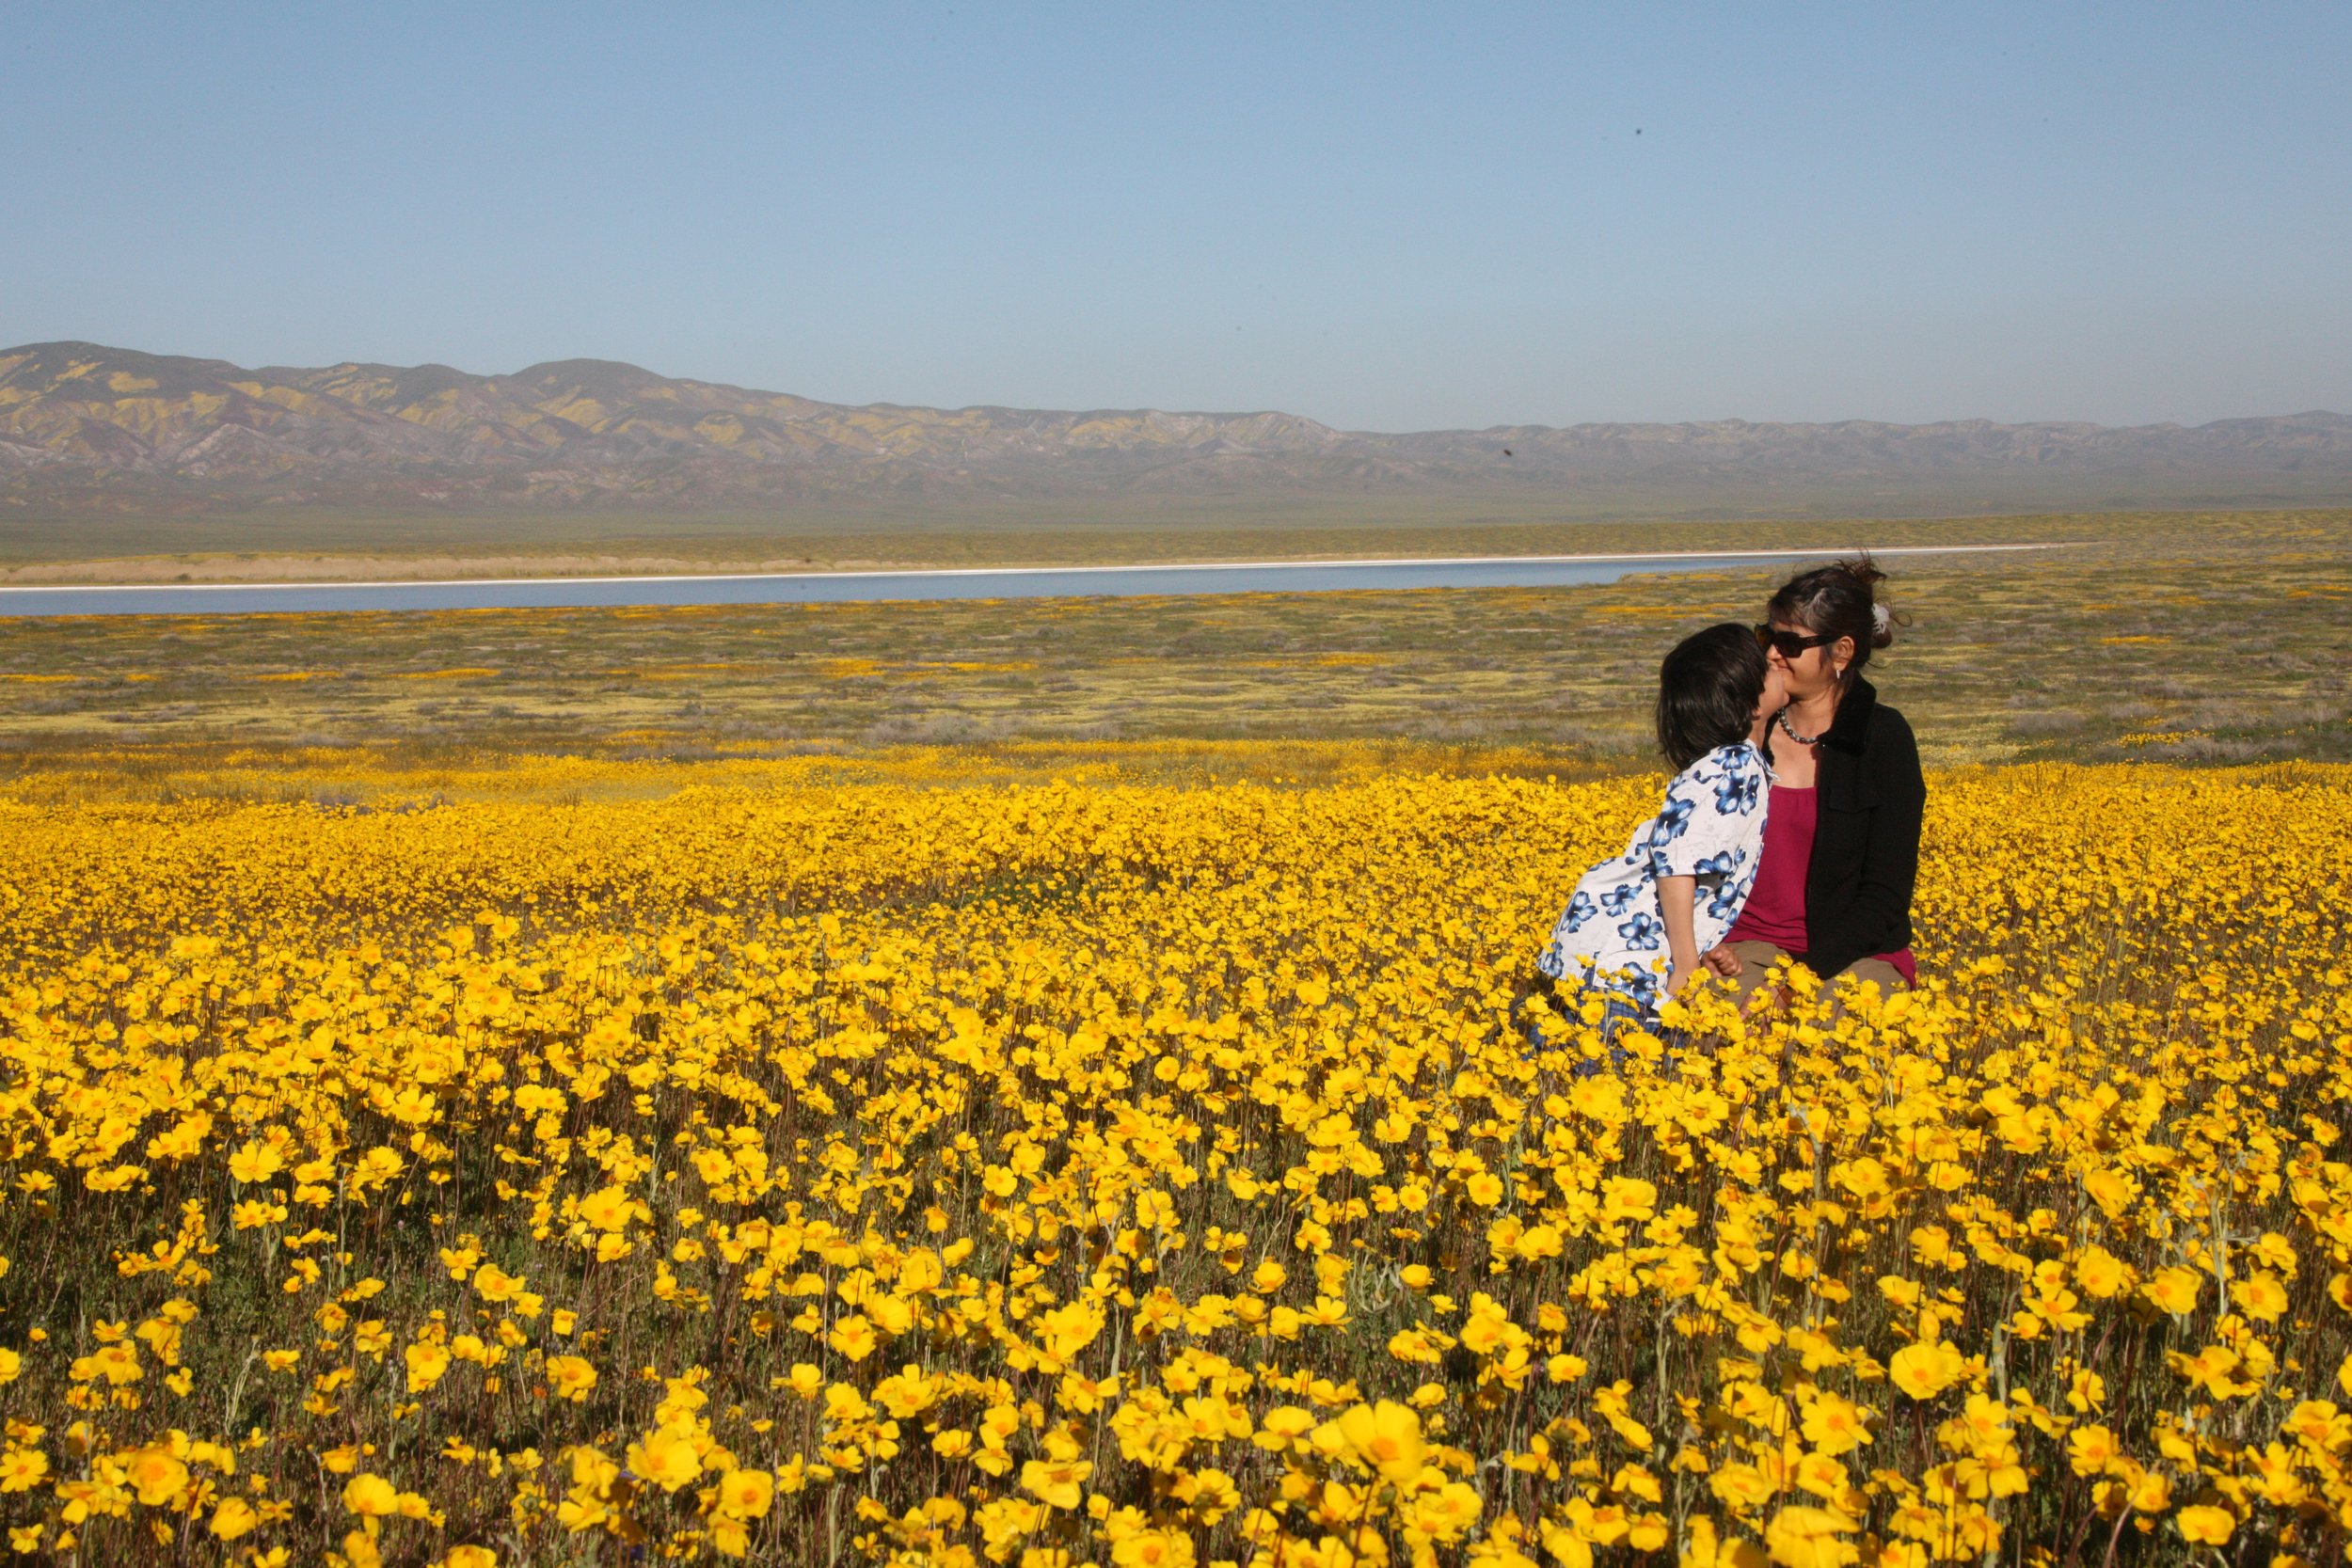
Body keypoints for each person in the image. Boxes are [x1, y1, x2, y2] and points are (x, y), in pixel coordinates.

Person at [1531, 624, 1788, 1032]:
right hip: (1625, 970)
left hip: (1610, 957)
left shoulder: (1726, 762)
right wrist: (1687, 966)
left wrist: (1707, 944)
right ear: (1751, 703)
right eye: (1765, 665)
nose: (1777, 659)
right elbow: (1677, 864)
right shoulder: (1737, 765)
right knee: (1610, 1081)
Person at [1703, 557, 1924, 1007]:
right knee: (1731, 1033)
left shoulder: (1882, 739)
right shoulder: (1746, 728)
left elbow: (1885, 896)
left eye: (1789, 643)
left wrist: (1798, 983)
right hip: (1747, 947)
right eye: (1766, 636)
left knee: (1823, 1041)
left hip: (1855, 955)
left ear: (1841, 652)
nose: (1770, 654)